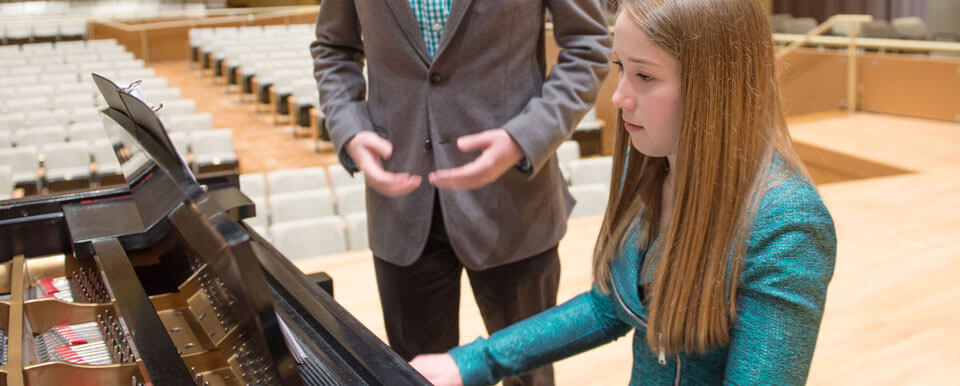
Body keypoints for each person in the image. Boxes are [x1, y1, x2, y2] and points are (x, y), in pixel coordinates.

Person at [409, 0, 838, 385]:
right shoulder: (651, 160)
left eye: (644, 76)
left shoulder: (788, 226)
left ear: (714, 87)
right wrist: (473, 362)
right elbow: (608, 306)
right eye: (619, 68)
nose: (618, 97)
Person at [310, 1, 612, 384]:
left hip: (514, 201)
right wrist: (349, 128)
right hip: (402, 206)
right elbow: (334, 48)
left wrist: (525, 137)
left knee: (529, 373)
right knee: (415, 375)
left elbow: (589, 44)